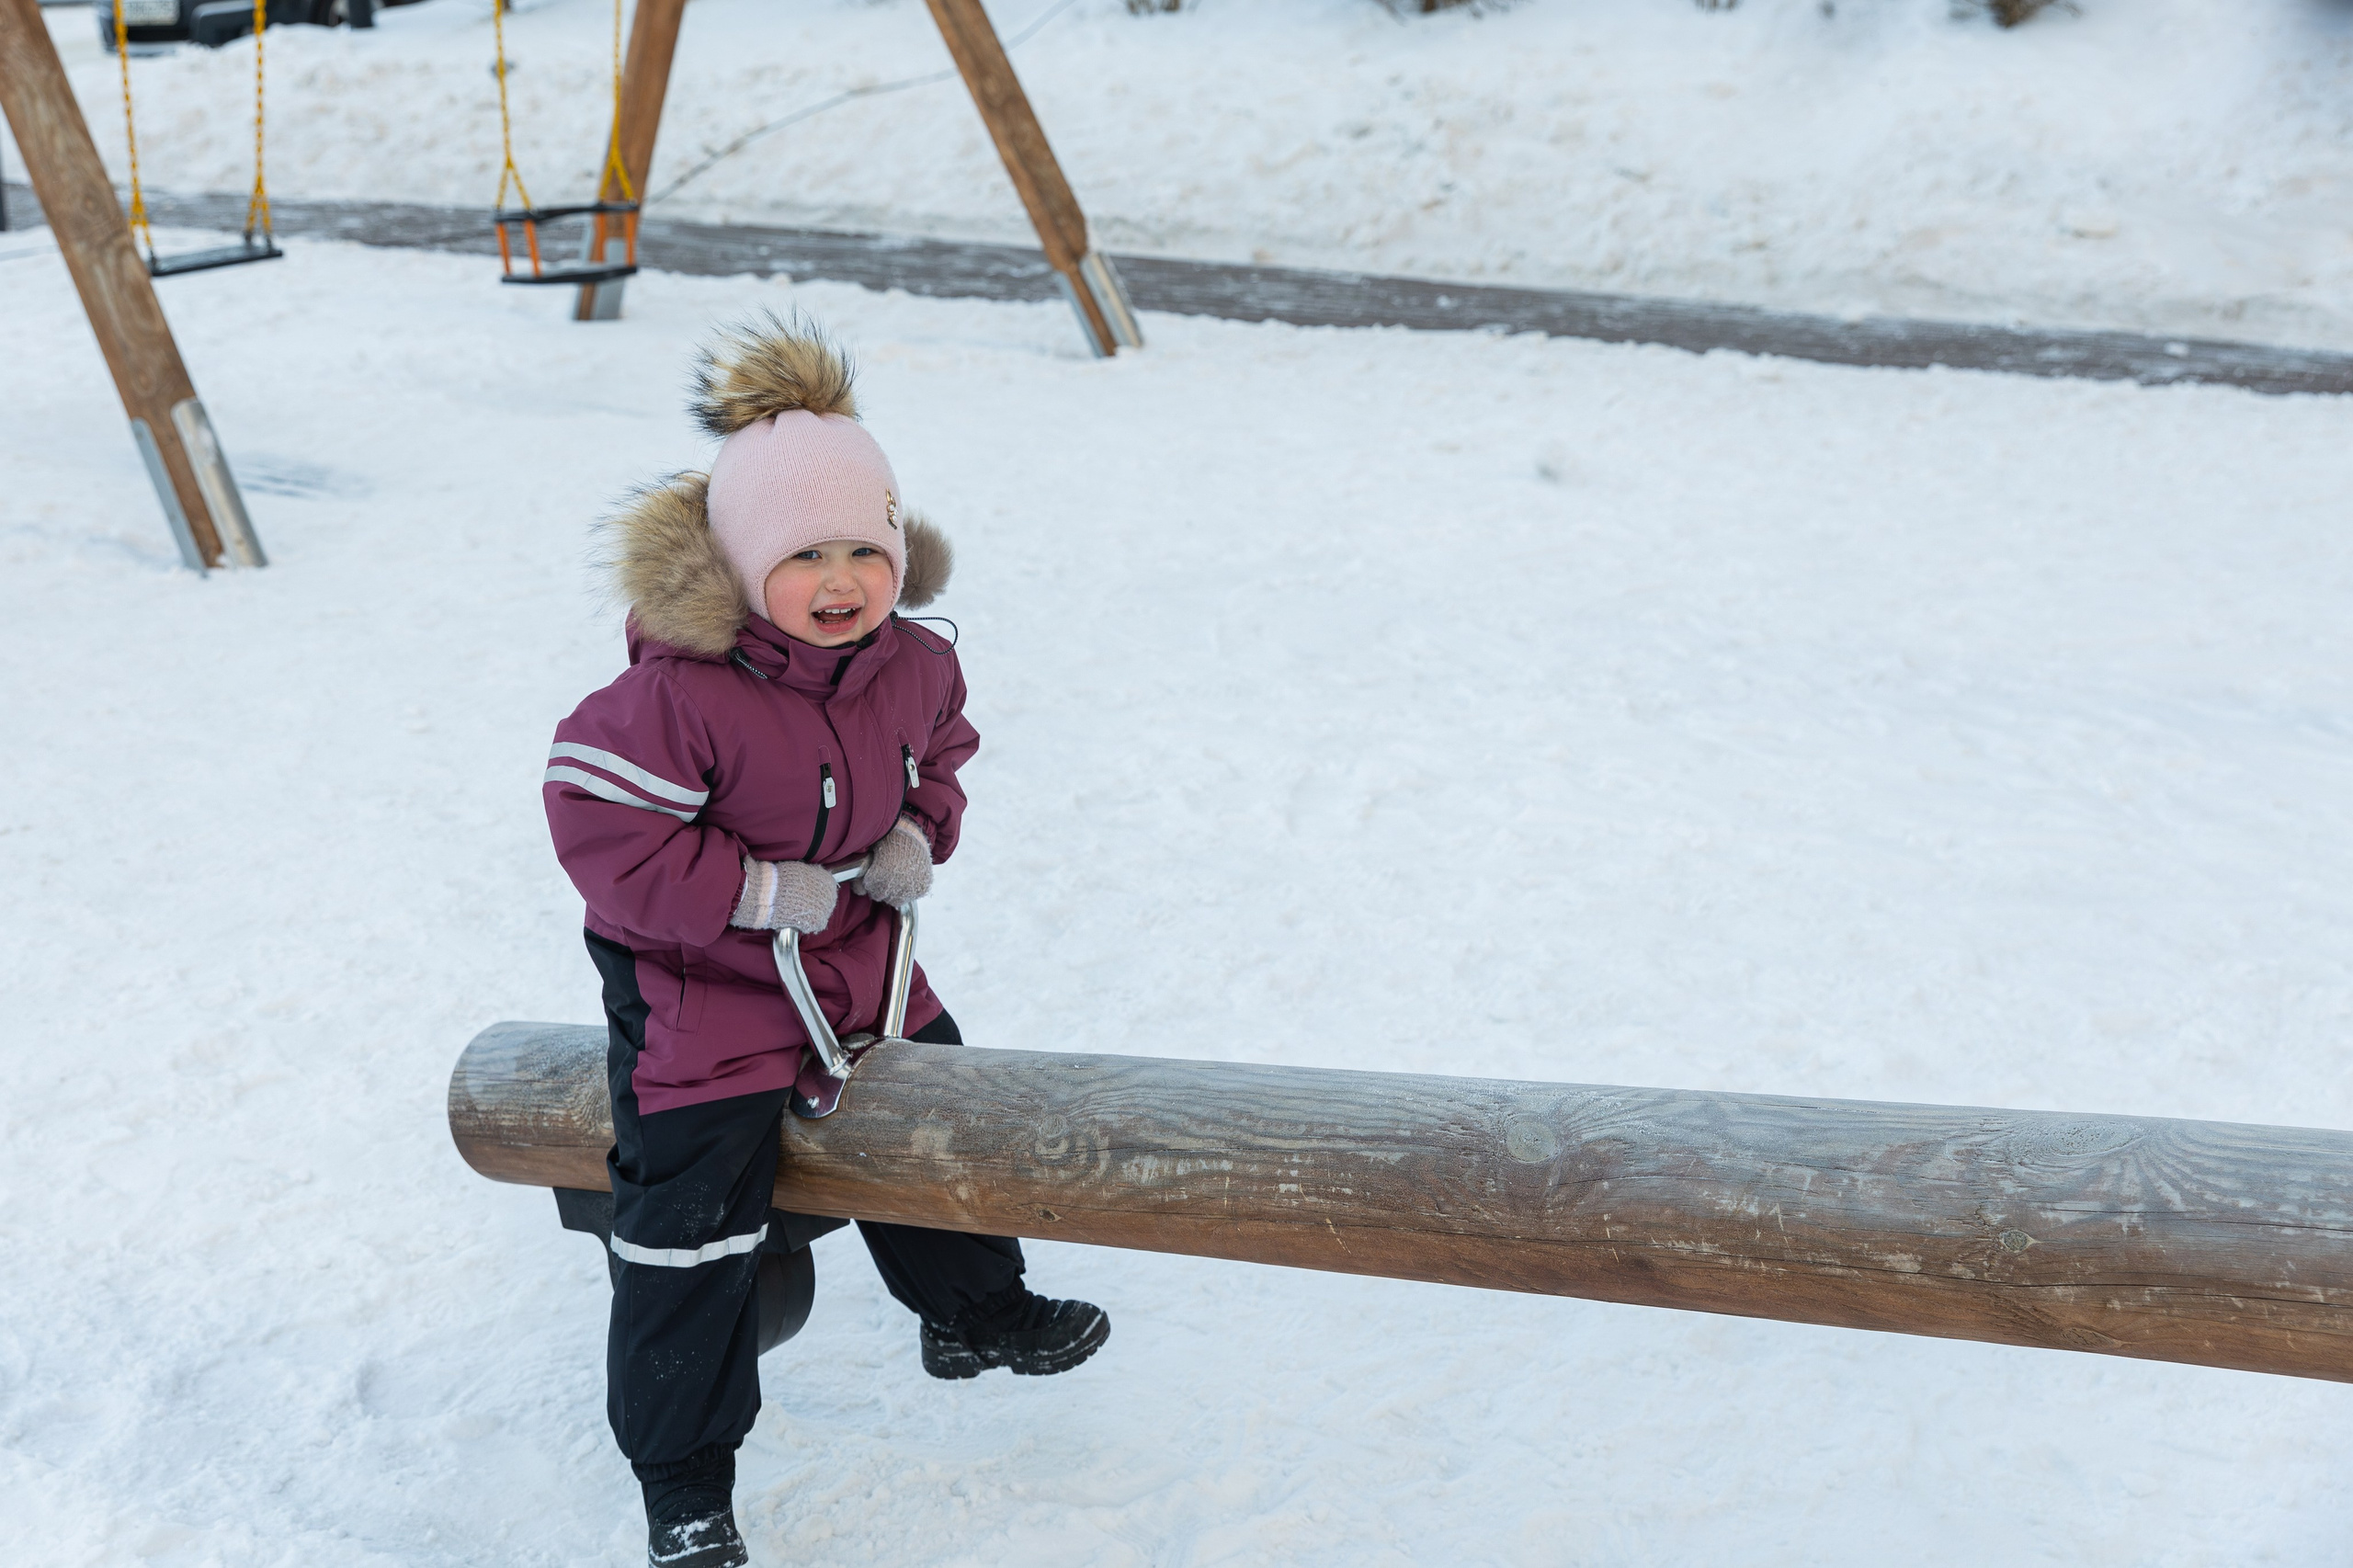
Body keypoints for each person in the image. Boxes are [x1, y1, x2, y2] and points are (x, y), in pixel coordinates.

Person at [542, 317, 1108, 1568]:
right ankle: (684, 1478)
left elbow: (940, 751)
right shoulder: (674, 696)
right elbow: (602, 831)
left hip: (858, 958)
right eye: (806, 554)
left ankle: (972, 1306)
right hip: (706, 991)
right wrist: (747, 891)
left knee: (940, 1114)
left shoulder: (907, 662)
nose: (844, 578)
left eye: (868, 546)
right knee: (694, 1227)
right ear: (744, 565)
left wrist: (918, 826)